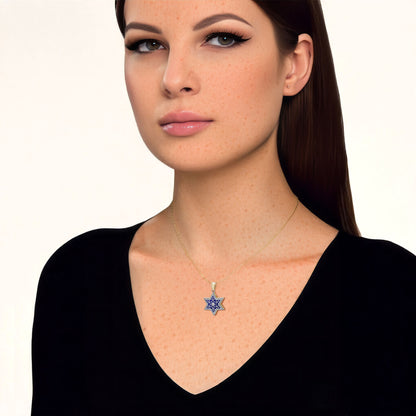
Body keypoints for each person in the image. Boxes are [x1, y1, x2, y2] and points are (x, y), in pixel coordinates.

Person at [31, 0, 415, 414]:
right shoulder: (78, 281)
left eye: (222, 38)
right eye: (147, 44)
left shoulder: (389, 294)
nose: (173, 79)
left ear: (295, 65)